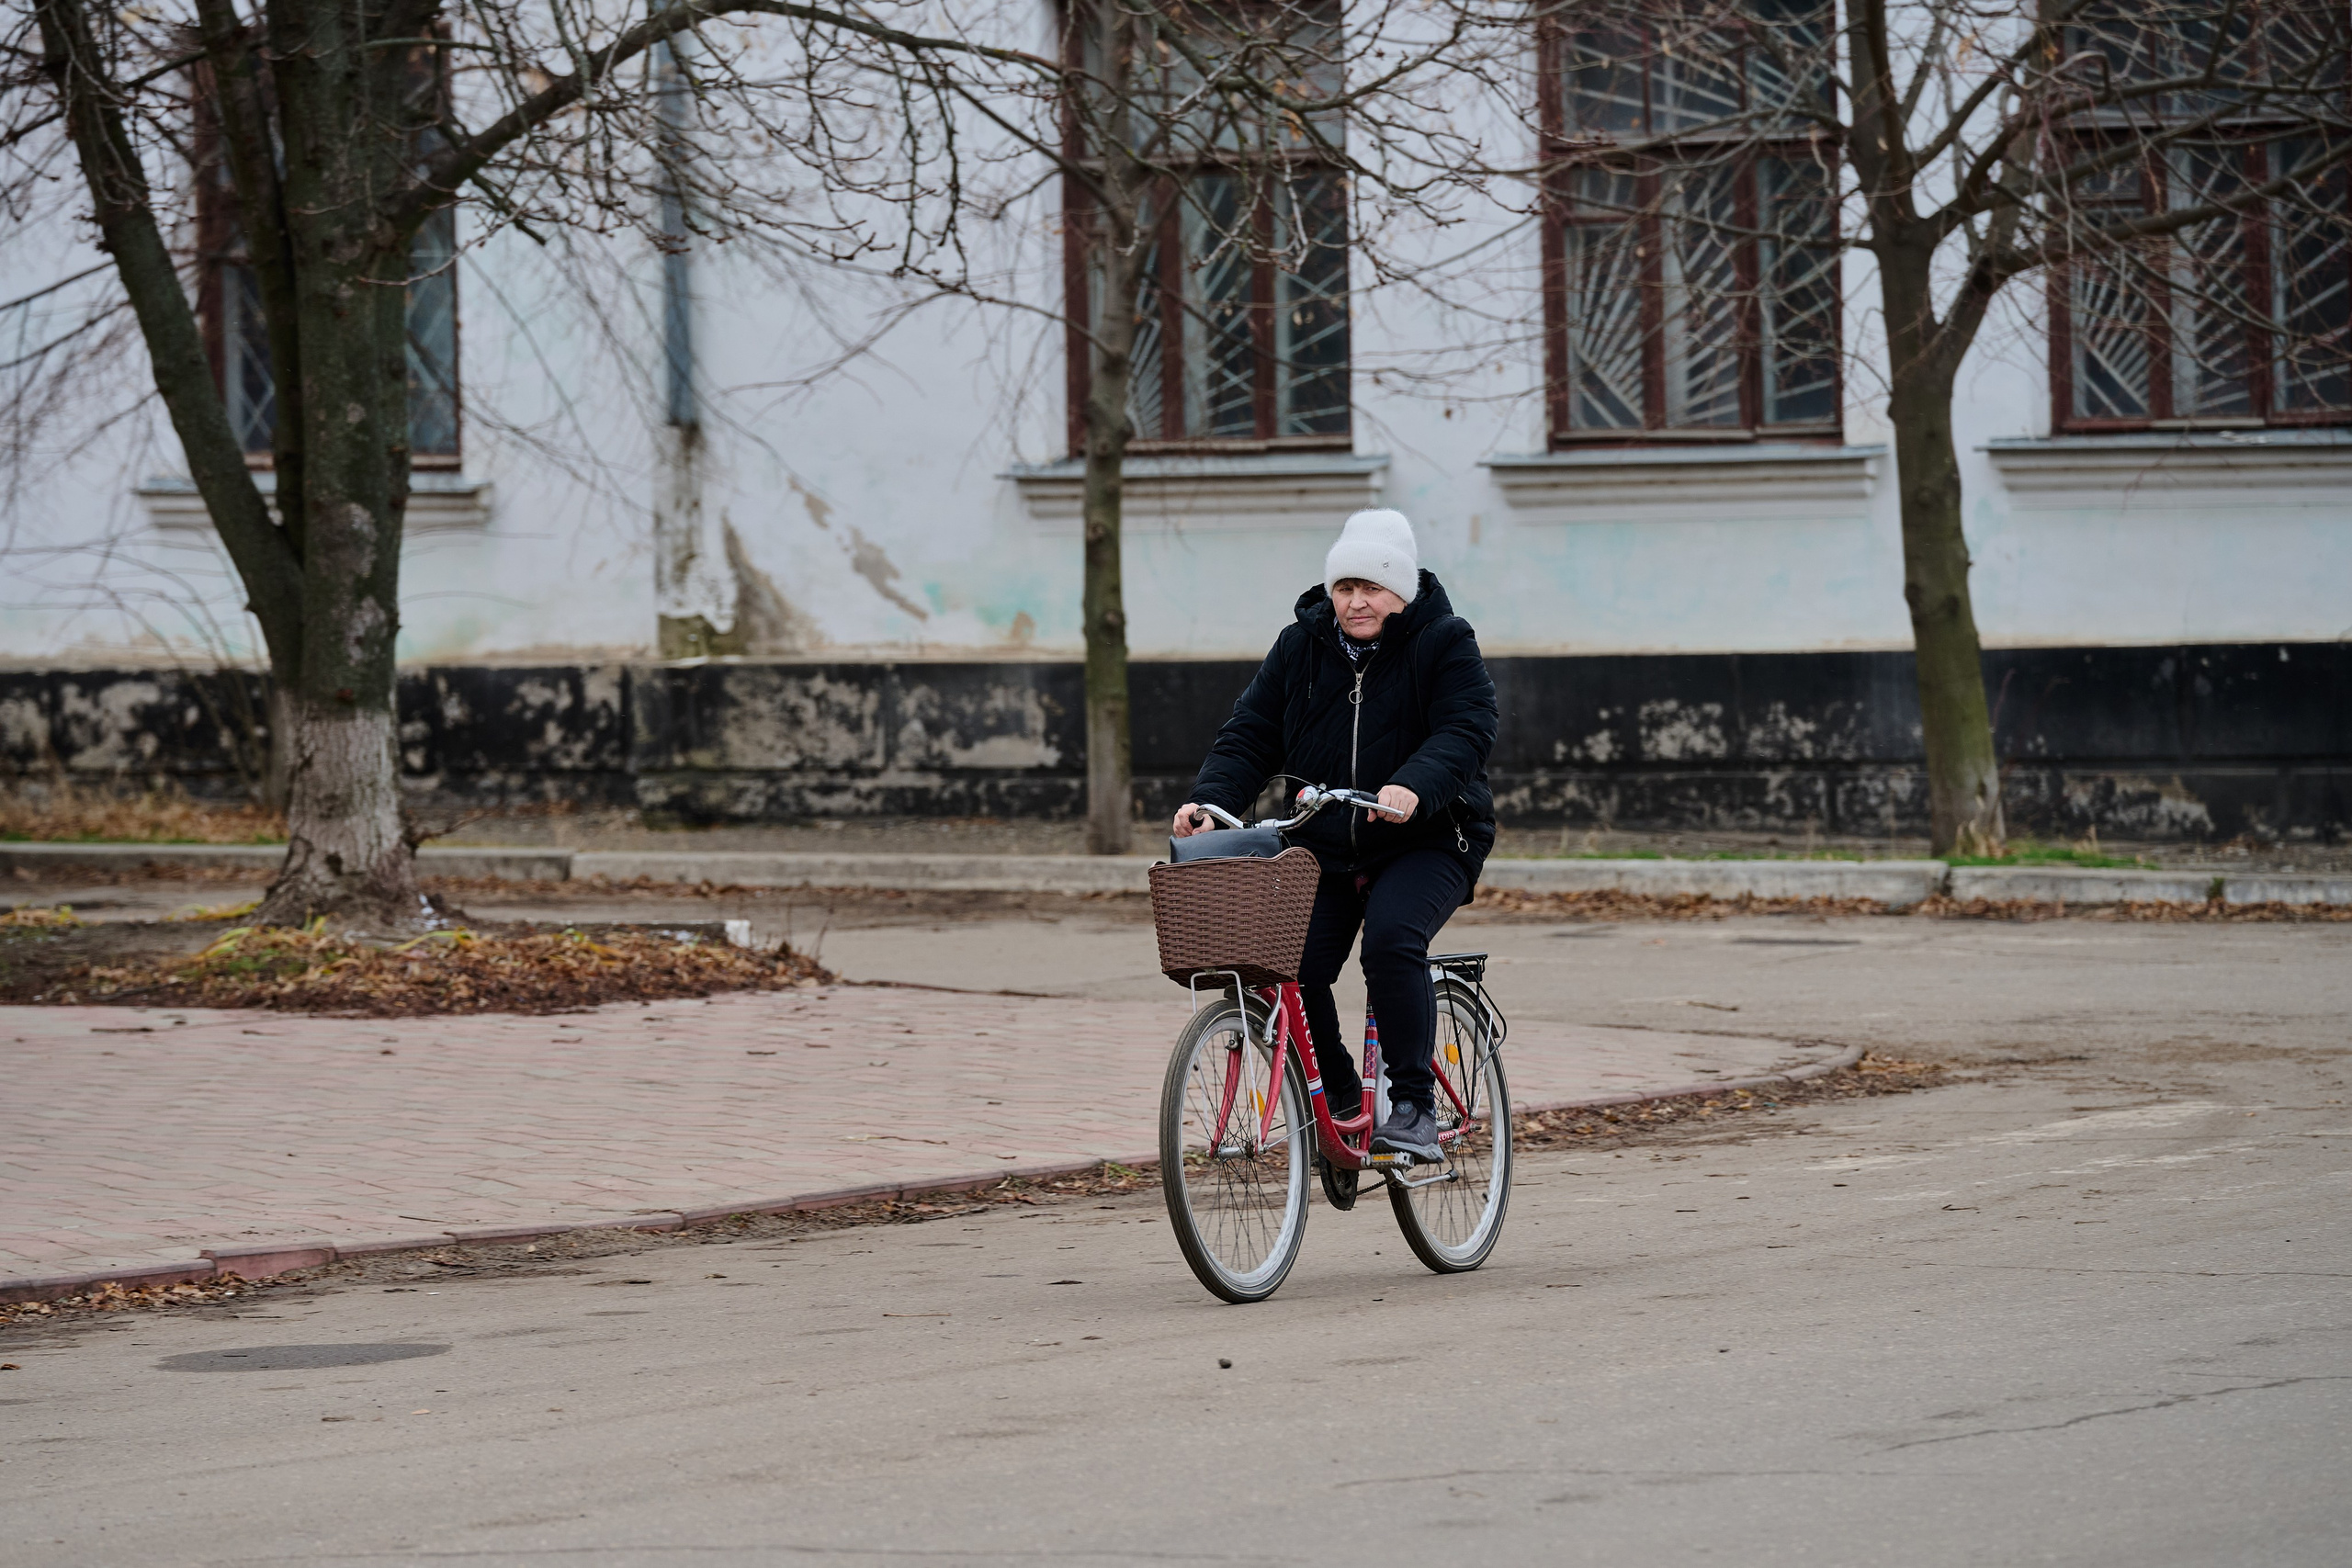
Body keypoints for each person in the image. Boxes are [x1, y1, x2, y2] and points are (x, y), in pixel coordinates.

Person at [1173, 508, 1498, 1163]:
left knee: (1390, 941)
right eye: (1345, 587)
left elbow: (1467, 726)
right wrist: (1210, 801)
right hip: (1325, 845)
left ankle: (1411, 1106)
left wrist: (1413, 784)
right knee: (1291, 965)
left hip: (1429, 838)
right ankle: (1344, 1100)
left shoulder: (1444, 640)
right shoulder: (1302, 646)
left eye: (1372, 588)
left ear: (1401, 591)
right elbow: (1250, 733)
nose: (1356, 601)